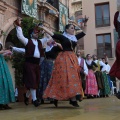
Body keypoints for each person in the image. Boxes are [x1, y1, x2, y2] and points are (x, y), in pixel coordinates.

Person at [39, 24, 86, 107]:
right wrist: (43, 27)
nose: (73, 30)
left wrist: (85, 24)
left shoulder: (74, 37)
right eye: (71, 28)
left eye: (74, 28)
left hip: (72, 59)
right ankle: (55, 97)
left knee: (73, 78)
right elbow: (53, 34)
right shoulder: (63, 37)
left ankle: (73, 99)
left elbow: (84, 32)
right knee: (62, 78)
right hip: (63, 59)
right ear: (66, 30)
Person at [14, 18, 52, 107]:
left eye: (37, 32)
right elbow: (20, 36)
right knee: (32, 80)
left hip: (37, 64)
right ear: (31, 34)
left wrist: (43, 29)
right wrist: (19, 26)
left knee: (35, 81)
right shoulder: (27, 41)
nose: (37, 33)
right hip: (29, 63)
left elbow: (49, 37)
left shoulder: (40, 42)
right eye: (35, 32)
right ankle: (35, 100)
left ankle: (26, 96)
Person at [39, 38, 62, 104]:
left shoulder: (55, 48)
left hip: (52, 64)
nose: (50, 41)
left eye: (51, 40)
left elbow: (61, 48)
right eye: (48, 40)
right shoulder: (44, 49)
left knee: (51, 79)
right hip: (44, 65)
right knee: (43, 79)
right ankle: (42, 97)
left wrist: (56, 43)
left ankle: (52, 97)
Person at [0, 42, 15, 110]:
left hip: (2, 62)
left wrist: (5, 53)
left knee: (5, 81)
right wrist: (3, 51)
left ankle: (5, 102)